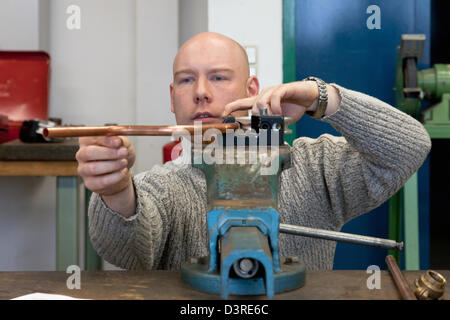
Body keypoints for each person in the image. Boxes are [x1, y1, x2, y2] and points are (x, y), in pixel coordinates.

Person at [76, 32, 431, 270]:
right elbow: (125, 252)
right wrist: (117, 193)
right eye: (187, 79)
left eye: (218, 77)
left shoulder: (311, 167)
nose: (201, 92)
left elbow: (409, 146)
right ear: (173, 98)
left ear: (252, 88)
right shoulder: (163, 187)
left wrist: (322, 97)